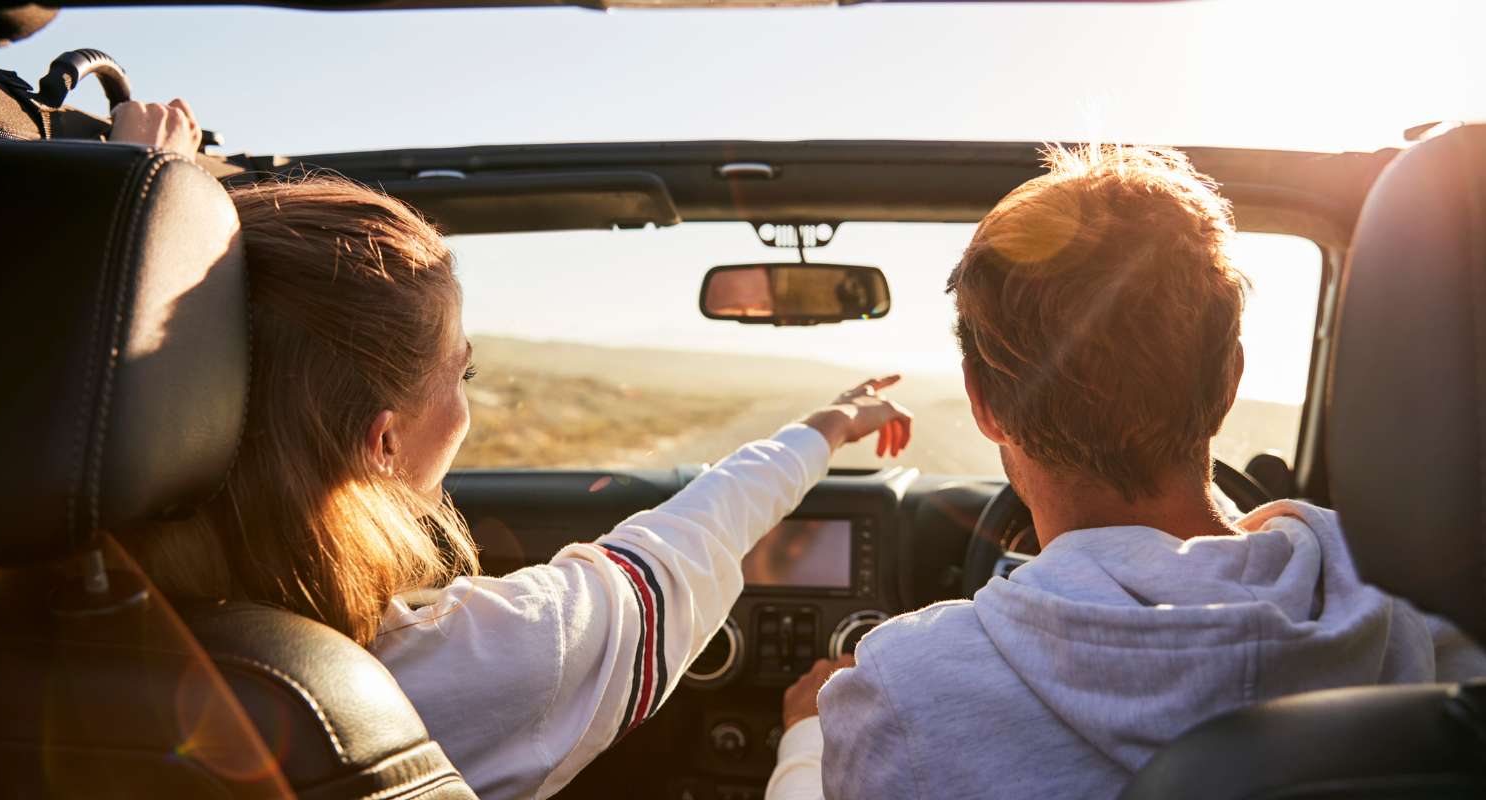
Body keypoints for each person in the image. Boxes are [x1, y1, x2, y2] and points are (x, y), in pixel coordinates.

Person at [107, 102, 915, 798]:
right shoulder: (481, 661)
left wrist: (133, 215)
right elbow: (686, 543)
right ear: (384, 441)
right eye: (462, 373)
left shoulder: (69, 624)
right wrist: (827, 429)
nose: (465, 400)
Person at [767, 144, 1486, 800]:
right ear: (1229, 381)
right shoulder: (1418, 619)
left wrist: (804, 738)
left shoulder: (901, 691)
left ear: (983, 403)